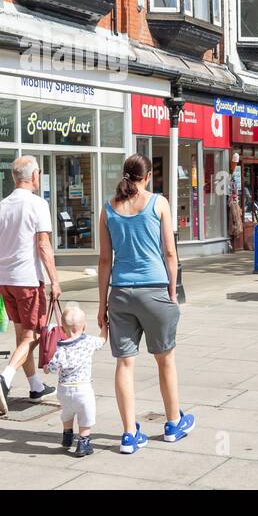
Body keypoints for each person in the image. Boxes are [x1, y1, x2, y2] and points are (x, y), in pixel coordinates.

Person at [97, 153, 194, 454]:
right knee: (165, 359)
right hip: (155, 291)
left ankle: (128, 435)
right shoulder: (158, 203)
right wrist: (172, 291)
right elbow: (170, 253)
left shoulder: (107, 210)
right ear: (148, 176)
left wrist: (102, 306)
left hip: (121, 293)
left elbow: (104, 260)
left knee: (124, 363)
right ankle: (173, 423)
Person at [0, 155, 59, 415]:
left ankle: (35, 386)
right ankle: (5, 377)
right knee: (34, 335)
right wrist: (54, 280)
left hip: (6, 279)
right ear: (35, 176)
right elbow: (43, 245)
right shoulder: (38, 204)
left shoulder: (1, 207)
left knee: (22, 336)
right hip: (27, 279)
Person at [43, 304, 104, 458]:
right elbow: (103, 340)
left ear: (62, 329)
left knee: (67, 412)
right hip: (83, 389)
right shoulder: (89, 342)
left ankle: (67, 434)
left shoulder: (61, 348)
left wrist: (46, 368)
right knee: (86, 415)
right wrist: (105, 326)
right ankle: (83, 443)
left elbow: (53, 366)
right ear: (84, 327)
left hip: (64, 389)